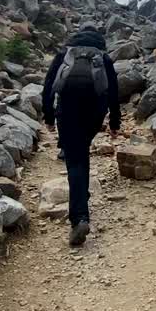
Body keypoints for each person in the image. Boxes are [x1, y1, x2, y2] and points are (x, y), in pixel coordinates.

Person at [41, 22, 122, 246]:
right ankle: (81, 198)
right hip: (94, 113)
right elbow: (114, 92)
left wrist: (48, 117)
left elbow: (48, 87)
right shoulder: (103, 57)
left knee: (75, 160)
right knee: (81, 155)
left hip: (66, 111)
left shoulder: (65, 53)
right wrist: (114, 123)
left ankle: (80, 217)